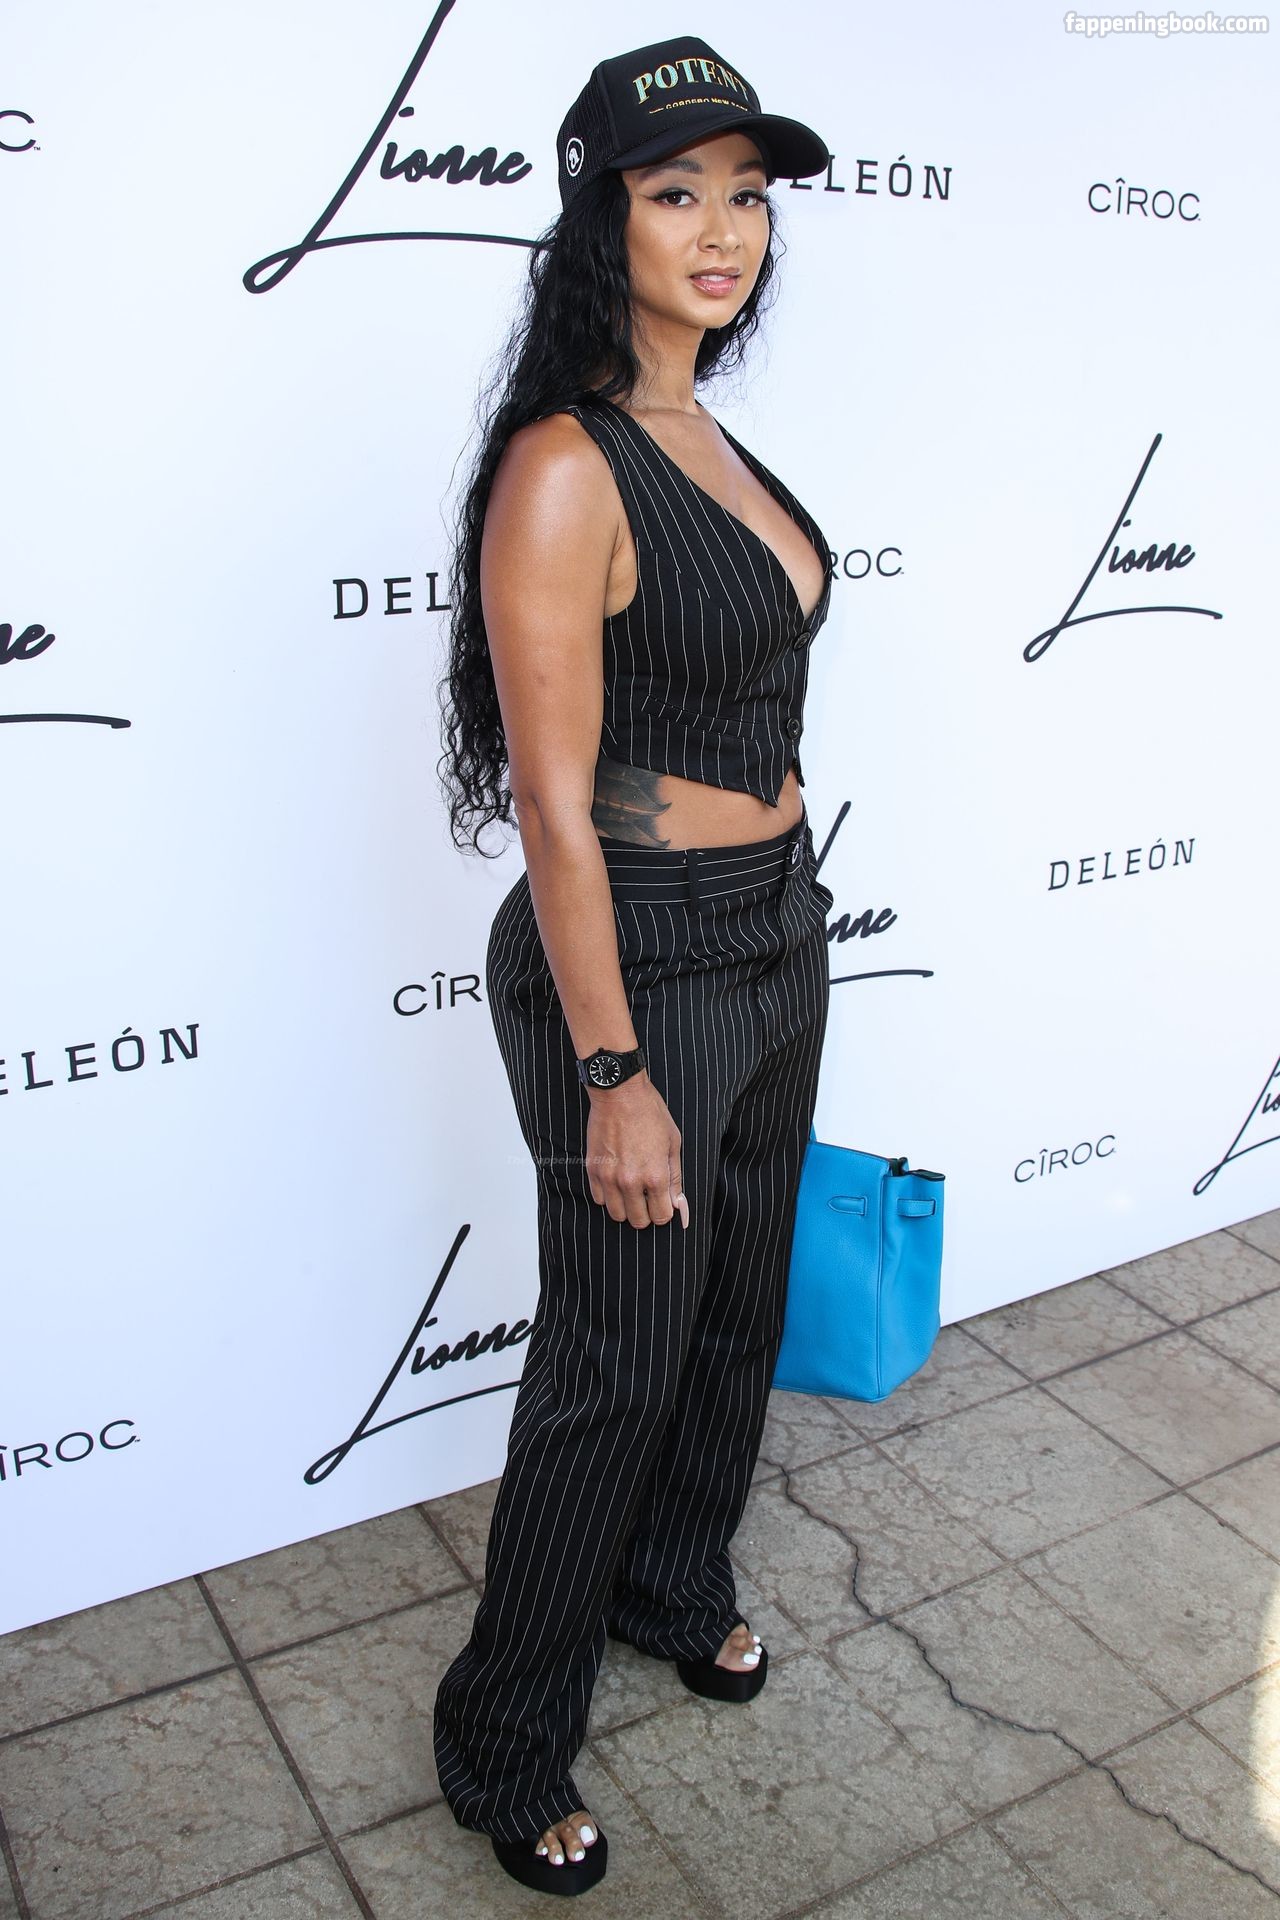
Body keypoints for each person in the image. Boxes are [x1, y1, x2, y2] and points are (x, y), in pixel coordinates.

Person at [433, 34, 835, 1898]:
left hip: (777, 925)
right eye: (678, 192)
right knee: (614, 1357)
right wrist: (612, 1070)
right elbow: (555, 808)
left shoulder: (709, 437)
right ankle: (505, 1739)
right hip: (643, 960)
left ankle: (674, 1585)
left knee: (738, 1306)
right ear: (604, 221)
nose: (724, 228)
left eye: (746, 193)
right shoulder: (563, 465)